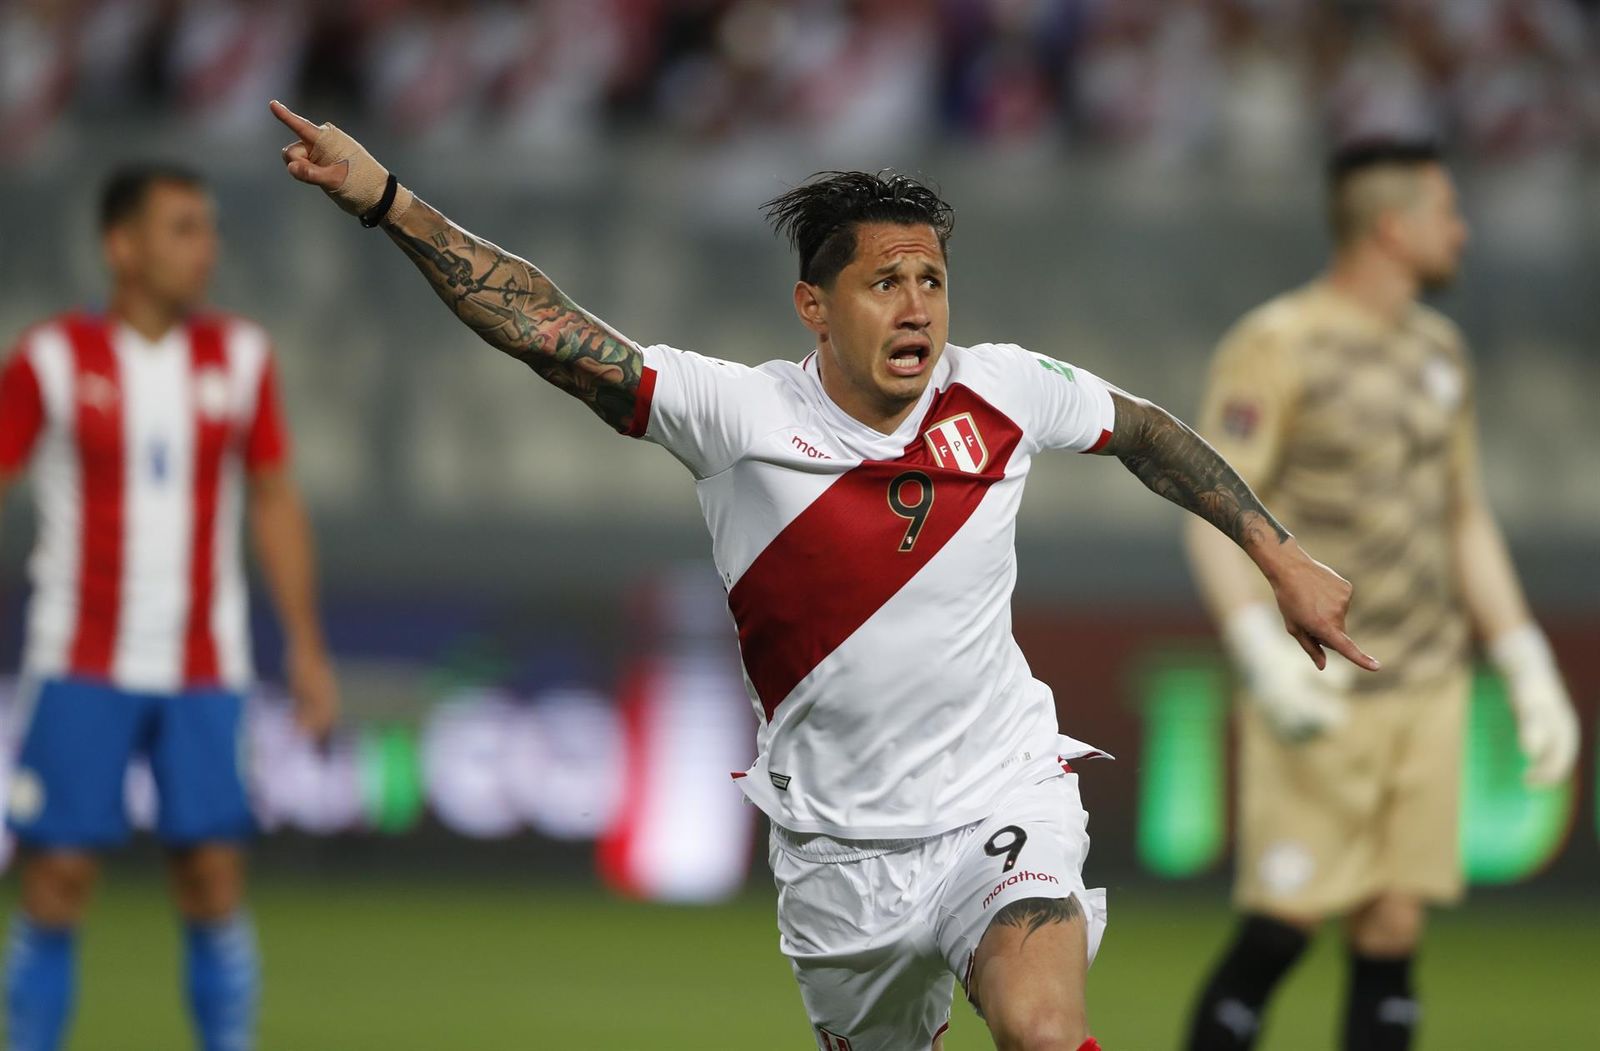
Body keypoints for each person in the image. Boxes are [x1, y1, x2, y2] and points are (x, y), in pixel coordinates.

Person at [269, 99, 1375, 1051]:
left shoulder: (1001, 391)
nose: (916, 306)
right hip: (839, 855)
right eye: (884, 282)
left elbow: (1145, 430)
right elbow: (547, 330)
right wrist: (386, 200)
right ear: (814, 305)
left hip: (1000, 799)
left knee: (1044, 1030)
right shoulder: (737, 416)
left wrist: (1278, 555)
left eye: (931, 279)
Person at [1181, 141, 1579, 1051]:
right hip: (1320, 680)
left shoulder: (1441, 351)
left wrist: (1527, 663)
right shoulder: (1279, 342)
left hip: (1428, 681)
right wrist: (1261, 657)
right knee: (1283, 924)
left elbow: (1464, 515)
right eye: (1448, 213)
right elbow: (1213, 511)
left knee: (1394, 928)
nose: (1462, 233)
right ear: (1394, 228)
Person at [0, 163, 339, 1051]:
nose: (206, 248)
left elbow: (274, 499)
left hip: (204, 663)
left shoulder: (241, 356)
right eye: (183, 228)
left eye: (209, 228)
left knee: (214, 877)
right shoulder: (49, 359)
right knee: (56, 879)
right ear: (122, 246)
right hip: (79, 654)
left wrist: (306, 646)